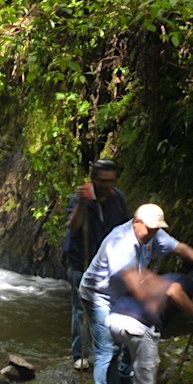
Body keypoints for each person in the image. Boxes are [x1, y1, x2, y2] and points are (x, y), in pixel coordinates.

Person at [79, 202, 193, 384]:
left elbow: (179, 247)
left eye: (155, 230)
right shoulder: (120, 244)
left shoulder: (152, 234)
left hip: (121, 293)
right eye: (149, 229)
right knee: (108, 348)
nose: (152, 234)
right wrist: (172, 295)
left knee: (124, 335)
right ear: (136, 222)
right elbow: (138, 285)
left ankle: (124, 378)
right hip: (99, 295)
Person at [62, 159, 129, 371]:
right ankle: (80, 354)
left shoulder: (117, 198)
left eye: (111, 181)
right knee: (81, 308)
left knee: (111, 306)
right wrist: (82, 204)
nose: (107, 186)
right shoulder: (81, 196)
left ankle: (109, 351)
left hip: (107, 262)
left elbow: (125, 228)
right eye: (102, 181)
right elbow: (73, 226)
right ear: (93, 180)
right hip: (80, 259)